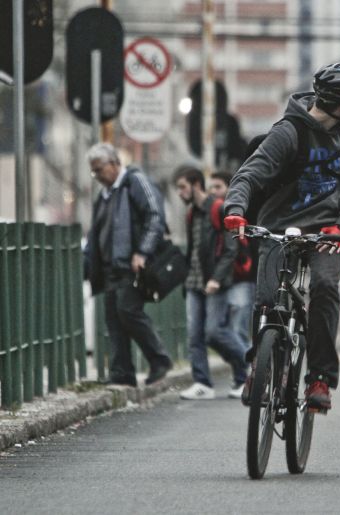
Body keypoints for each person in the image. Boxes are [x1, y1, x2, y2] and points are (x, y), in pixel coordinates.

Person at [223, 62, 340, 411]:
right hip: (278, 229)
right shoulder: (289, 132)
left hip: (327, 232)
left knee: (323, 288)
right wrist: (235, 210)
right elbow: (248, 176)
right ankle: (257, 366)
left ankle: (319, 379)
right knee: (265, 301)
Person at [83, 143, 173, 387]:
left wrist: (142, 252)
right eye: (93, 172)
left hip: (132, 265)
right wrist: (88, 264)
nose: (97, 176)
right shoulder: (104, 195)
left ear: (114, 163)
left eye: (99, 169)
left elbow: (155, 215)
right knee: (113, 318)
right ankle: (122, 372)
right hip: (110, 267)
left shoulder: (135, 182)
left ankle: (159, 359)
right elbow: (96, 233)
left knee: (128, 310)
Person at [173, 166, 249, 400]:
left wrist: (217, 278)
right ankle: (202, 383)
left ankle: (252, 367)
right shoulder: (190, 213)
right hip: (194, 281)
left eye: (183, 187)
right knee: (195, 335)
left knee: (215, 331)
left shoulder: (218, 208)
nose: (179, 193)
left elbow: (231, 248)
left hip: (215, 281)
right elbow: (194, 249)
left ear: (196, 185)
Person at [207, 171, 257, 363]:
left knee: (239, 330)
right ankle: (245, 374)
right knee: (216, 331)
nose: (213, 191)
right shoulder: (213, 211)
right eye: (211, 187)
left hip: (242, 277)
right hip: (224, 279)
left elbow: (235, 248)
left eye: (218, 187)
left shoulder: (243, 208)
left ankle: (249, 375)